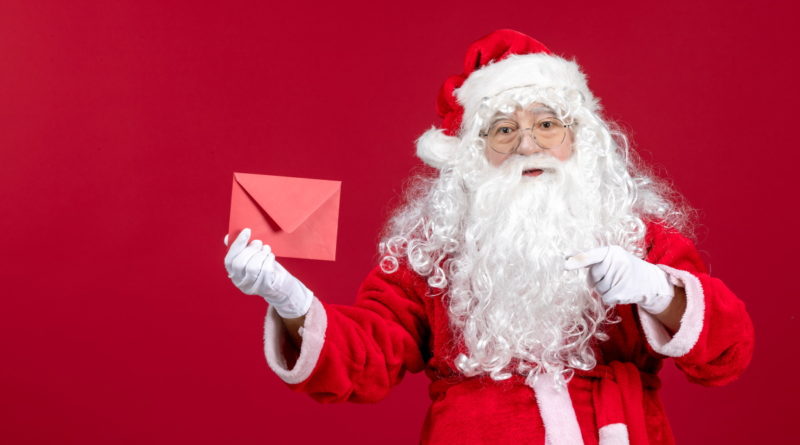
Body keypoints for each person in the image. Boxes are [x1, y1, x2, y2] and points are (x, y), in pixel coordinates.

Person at [223, 29, 754, 445]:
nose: (528, 144)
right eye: (503, 130)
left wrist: (657, 290)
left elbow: (728, 354)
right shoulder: (432, 252)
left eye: (548, 124)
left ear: (581, 137)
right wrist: (289, 302)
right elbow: (365, 360)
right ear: (474, 153)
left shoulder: (637, 233)